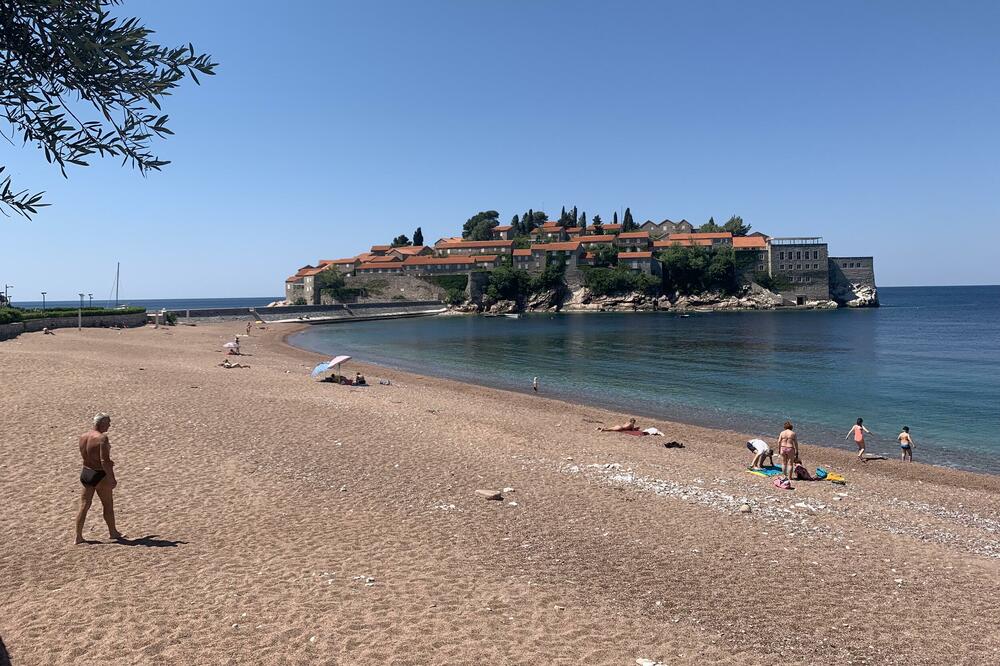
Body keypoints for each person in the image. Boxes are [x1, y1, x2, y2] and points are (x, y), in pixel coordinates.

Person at [75, 413, 123, 544]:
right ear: (101, 423)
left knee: (84, 505)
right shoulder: (102, 438)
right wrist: (112, 478)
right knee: (108, 505)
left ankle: (78, 536)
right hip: (99, 474)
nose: (109, 425)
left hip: (86, 472)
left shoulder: (83, 436)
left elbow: (87, 455)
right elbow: (104, 461)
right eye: (108, 422)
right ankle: (113, 532)